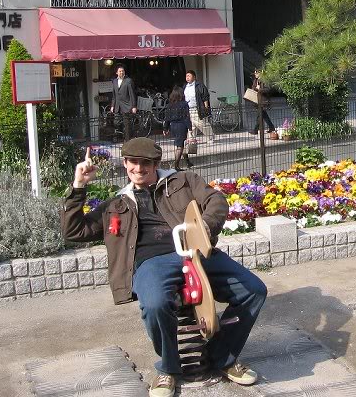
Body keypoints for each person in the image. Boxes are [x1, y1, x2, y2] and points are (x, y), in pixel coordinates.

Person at [62, 138, 266, 397]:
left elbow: (216, 200)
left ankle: (223, 357)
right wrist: (79, 185)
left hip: (195, 252)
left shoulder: (183, 181)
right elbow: (74, 230)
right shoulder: (116, 205)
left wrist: (204, 225)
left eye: (146, 163)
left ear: (156, 163)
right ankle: (168, 369)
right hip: (152, 263)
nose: (138, 168)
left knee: (254, 290)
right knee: (156, 303)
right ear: (124, 164)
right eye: (133, 162)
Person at [162, 87, 193, 170]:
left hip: (173, 126)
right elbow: (186, 117)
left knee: (181, 143)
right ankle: (176, 166)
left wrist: (165, 128)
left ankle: (187, 162)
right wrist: (190, 128)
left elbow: (167, 117)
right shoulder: (184, 104)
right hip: (181, 126)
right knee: (180, 146)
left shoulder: (170, 105)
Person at [110, 65, 137, 141]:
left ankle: (127, 141)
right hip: (117, 106)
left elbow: (132, 94)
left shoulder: (128, 80)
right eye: (120, 71)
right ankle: (121, 137)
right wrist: (112, 105)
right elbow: (114, 95)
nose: (121, 72)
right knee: (116, 123)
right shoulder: (114, 81)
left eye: (123, 71)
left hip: (127, 106)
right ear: (117, 73)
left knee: (127, 125)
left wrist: (134, 106)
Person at [184, 70, 212, 140]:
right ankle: (191, 139)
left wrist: (206, 107)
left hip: (198, 108)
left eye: (189, 76)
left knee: (203, 124)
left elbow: (205, 96)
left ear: (194, 77)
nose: (187, 77)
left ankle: (210, 137)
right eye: (186, 76)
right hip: (188, 109)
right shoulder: (185, 86)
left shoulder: (199, 85)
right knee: (191, 126)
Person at [248, 70, 277, 137]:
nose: (255, 74)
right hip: (257, 100)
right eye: (254, 73)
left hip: (263, 101)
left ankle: (255, 130)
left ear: (260, 73)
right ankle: (272, 127)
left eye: (256, 73)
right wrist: (255, 88)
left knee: (259, 115)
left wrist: (260, 89)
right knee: (264, 115)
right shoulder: (256, 80)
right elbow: (253, 87)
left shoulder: (265, 80)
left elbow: (268, 90)